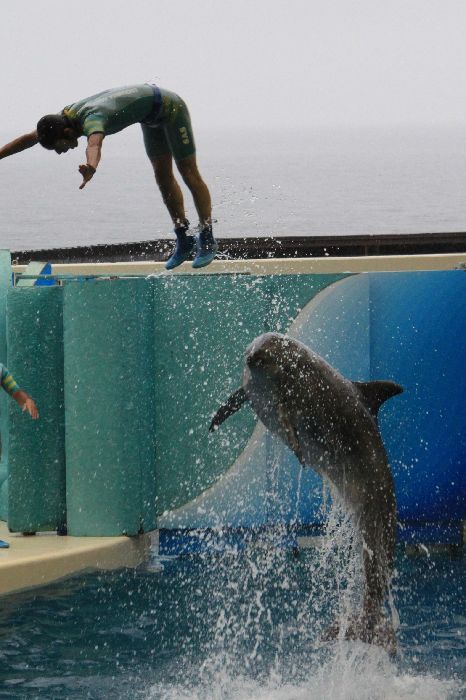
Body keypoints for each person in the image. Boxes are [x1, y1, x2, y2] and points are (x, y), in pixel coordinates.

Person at [0, 83, 218, 269]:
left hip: (170, 108)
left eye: (59, 147)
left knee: (188, 172)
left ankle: (207, 236)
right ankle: (183, 237)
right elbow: (28, 139)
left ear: (66, 134)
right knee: (162, 176)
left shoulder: (92, 120)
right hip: (151, 117)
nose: (60, 152)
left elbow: (94, 144)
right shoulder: (60, 120)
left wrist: (91, 168)